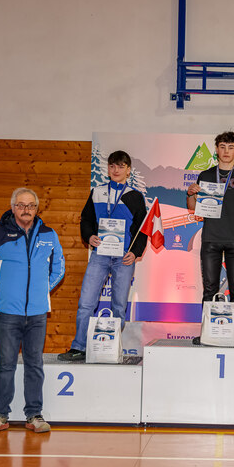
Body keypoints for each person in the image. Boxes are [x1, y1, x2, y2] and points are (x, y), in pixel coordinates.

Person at [0, 187, 65, 433]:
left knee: (35, 364)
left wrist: (42, 291)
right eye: (21, 205)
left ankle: (34, 415)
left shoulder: (49, 234)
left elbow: (58, 269)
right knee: (6, 365)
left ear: (36, 209)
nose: (26, 210)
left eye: (31, 205)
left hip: (37, 313)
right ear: (12, 208)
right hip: (6, 313)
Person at [58, 150, 147, 362]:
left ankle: (111, 347)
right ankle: (79, 347)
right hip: (100, 255)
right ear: (108, 169)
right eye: (112, 166)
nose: (116, 170)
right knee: (86, 303)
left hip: (123, 257)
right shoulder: (97, 192)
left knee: (118, 306)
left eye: (121, 166)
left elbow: (142, 229)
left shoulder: (135, 196)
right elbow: (86, 220)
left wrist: (135, 252)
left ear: (128, 170)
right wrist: (89, 236)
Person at [186, 131, 234, 346]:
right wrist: (191, 193)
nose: (226, 151)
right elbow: (193, 207)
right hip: (211, 238)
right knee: (209, 288)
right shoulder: (205, 175)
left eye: (230, 147)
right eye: (222, 147)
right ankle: (206, 330)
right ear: (216, 149)